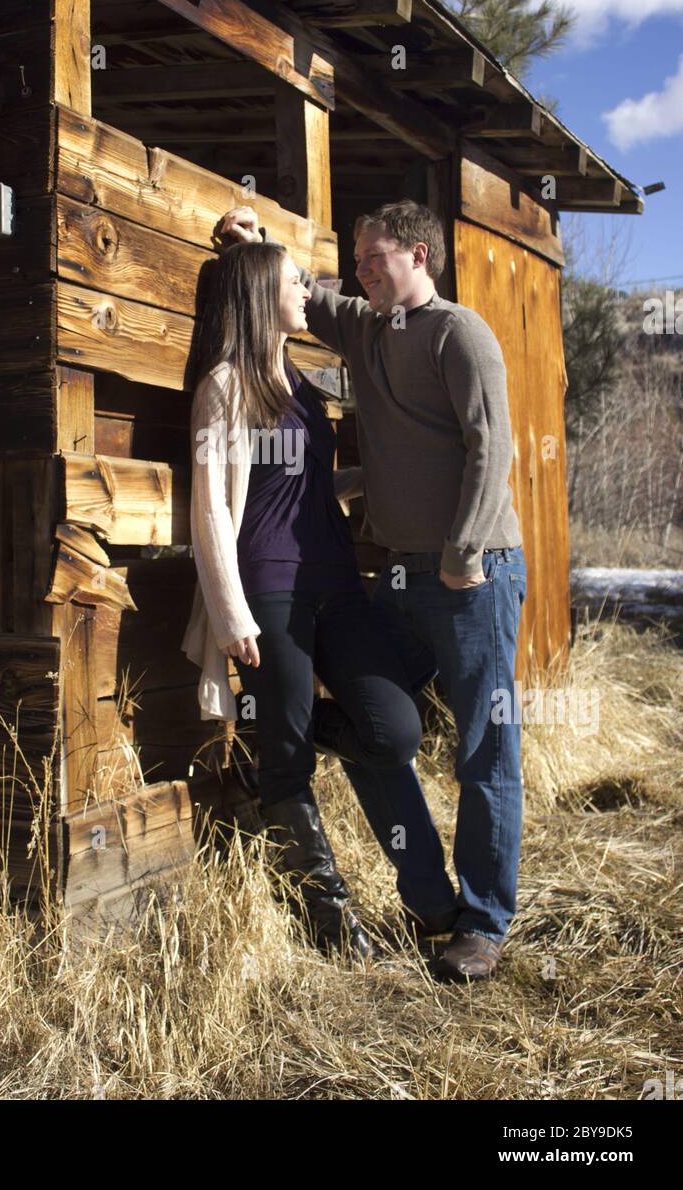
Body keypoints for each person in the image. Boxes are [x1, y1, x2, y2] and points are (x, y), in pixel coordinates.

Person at [210, 201, 527, 982]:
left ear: (418, 255)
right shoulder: (366, 327)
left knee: (486, 751)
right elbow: (298, 294)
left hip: (473, 574)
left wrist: (463, 552)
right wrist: (257, 245)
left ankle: (484, 924)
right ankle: (429, 899)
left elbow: (495, 448)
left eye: (373, 257)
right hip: (395, 577)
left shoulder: (461, 333)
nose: (360, 270)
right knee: (374, 728)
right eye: (356, 259)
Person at [181, 240, 423, 965]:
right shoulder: (224, 386)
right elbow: (211, 512)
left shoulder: (301, 383)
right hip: (269, 588)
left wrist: (370, 481)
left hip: (335, 580)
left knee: (394, 730)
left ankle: (280, 726)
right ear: (262, 294)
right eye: (297, 281)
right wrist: (229, 617)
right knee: (290, 759)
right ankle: (331, 920)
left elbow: (307, 487)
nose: (309, 290)